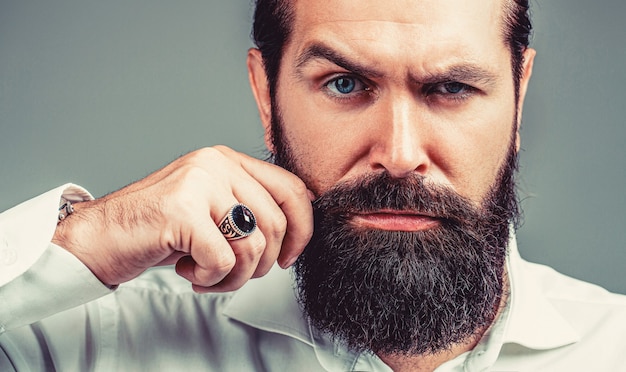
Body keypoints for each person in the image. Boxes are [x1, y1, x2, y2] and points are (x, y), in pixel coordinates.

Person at [1, 0, 625, 370]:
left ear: (519, 96)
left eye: (452, 88)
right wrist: (88, 240)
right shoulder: (93, 343)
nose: (401, 156)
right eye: (345, 84)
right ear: (265, 96)